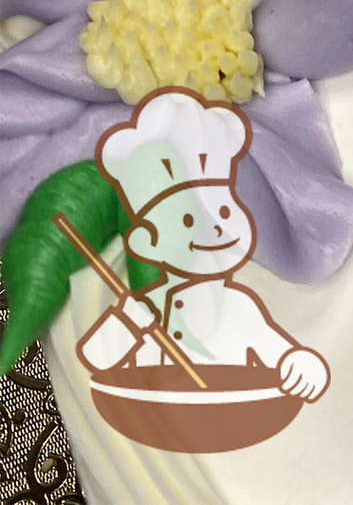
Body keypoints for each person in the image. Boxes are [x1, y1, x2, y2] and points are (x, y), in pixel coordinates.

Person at [77, 88, 329, 401]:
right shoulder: (140, 309)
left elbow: (284, 357)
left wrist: (302, 366)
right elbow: (96, 358)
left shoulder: (239, 308)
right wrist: (133, 316)